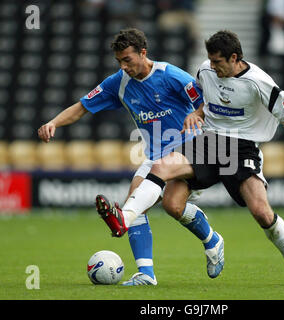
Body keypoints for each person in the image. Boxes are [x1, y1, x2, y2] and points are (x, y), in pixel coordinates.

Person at [107, 30, 284, 286]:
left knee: (262, 213)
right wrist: (197, 113)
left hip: (242, 148)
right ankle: (126, 217)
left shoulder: (258, 82)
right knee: (165, 179)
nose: (212, 67)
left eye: (217, 62)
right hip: (209, 141)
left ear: (234, 58)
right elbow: (206, 98)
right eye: (210, 61)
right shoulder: (205, 70)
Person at [37, 28, 224, 286]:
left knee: (134, 202)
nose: (123, 66)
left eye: (128, 59)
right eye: (119, 61)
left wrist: (199, 118)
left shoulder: (170, 76)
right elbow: (82, 107)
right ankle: (205, 244)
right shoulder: (118, 83)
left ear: (143, 53)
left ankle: (145, 266)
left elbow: (207, 101)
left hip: (189, 149)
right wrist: (54, 122)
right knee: (170, 206)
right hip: (156, 155)